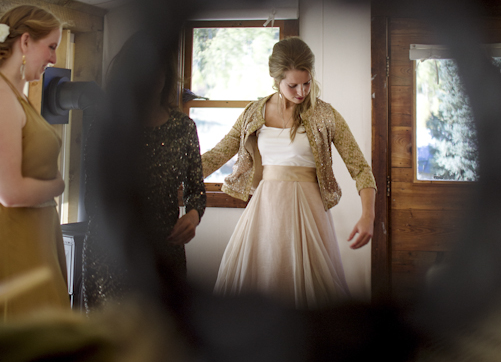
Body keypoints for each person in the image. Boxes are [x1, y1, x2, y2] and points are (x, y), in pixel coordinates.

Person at [202, 36, 376, 307]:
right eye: (292, 85)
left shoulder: (325, 114)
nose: (301, 92)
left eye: (306, 83)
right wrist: (178, 173)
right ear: (276, 80)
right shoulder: (253, 113)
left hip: (309, 211)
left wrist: (368, 215)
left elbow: (361, 168)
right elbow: (217, 154)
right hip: (265, 212)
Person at [82, 35, 206, 309]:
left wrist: (194, 215)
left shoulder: (183, 128)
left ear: (166, 76)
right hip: (112, 252)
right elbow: (92, 196)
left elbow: (196, 189)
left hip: (165, 250)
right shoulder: (107, 126)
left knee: (162, 339)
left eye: (156, 72)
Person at [0, 5, 69, 317]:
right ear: (25, 42)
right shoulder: (2, 96)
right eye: (51, 46)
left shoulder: (18, 94)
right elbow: (10, 193)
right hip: (18, 240)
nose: (54, 59)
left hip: (39, 235)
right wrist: (57, 185)